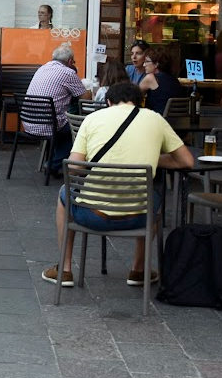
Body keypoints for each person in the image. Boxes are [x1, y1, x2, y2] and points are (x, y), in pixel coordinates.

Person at [43, 81, 192, 288]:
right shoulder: (156, 119)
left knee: (64, 194)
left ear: (108, 101)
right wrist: (152, 158)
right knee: (154, 197)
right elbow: (186, 161)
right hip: (140, 217)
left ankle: (65, 269)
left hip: (92, 215)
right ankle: (138, 270)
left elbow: (74, 167)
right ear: (140, 102)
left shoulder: (92, 119)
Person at [23, 43, 91, 175]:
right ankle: (54, 165)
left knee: (63, 123)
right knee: (78, 129)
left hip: (28, 123)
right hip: (48, 125)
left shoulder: (42, 68)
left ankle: (55, 163)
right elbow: (85, 97)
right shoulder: (68, 72)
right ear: (70, 61)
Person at [139, 46, 184, 115]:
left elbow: (133, 97)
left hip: (157, 120)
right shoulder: (175, 80)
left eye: (147, 61)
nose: (144, 65)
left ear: (156, 64)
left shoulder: (151, 78)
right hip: (177, 121)